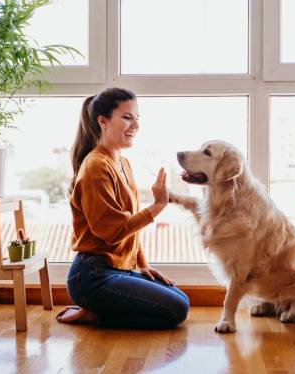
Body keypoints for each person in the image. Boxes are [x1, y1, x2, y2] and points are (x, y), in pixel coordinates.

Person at [56, 87, 189, 329]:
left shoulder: (122, 162)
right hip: (92, 276)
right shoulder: (96, 166)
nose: (135, 125)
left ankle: (98, 311)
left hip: (118, 268)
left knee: (181, 299)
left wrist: (142, 264)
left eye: (137, 118)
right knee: (176, 310)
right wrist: (158, 205)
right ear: (103, 121)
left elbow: (129, 229)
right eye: (127, 117)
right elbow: (112, 232)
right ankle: (94, 315)